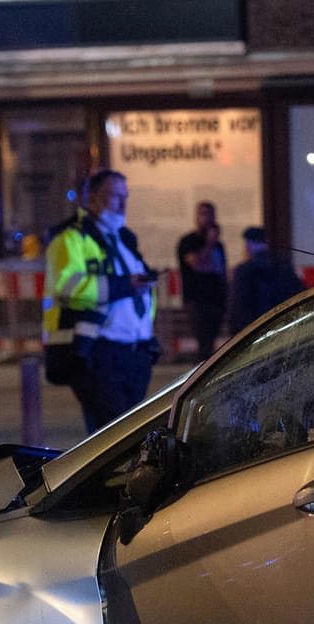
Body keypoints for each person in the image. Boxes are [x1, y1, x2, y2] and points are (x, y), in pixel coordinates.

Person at [41, 169, 160, 433]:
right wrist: (126, 285)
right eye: (115, 196)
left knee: (122, 437)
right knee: (114, 438)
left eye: (125, 196)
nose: (123, 203)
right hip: (98, 353)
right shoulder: (70, 238)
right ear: (93, 198)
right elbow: (68, 287)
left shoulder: (125, 239)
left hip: (134, 355)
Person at [225, 226, 305, 336]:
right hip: (283, 331)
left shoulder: (244, 271)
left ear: (248, 246)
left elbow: (237, 309)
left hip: (254, 335)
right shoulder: (283, 267)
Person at [175, 201, 228, 358]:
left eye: (210, 214)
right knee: (203, 342)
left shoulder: (219, 245)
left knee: (211, 341)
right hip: (197, 300)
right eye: (203, 214)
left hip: (216, 299)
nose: (207, 218)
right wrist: (209, 243)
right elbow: (196, 264)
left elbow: (221, 271)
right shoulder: (188, 242)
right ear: (196, 217)